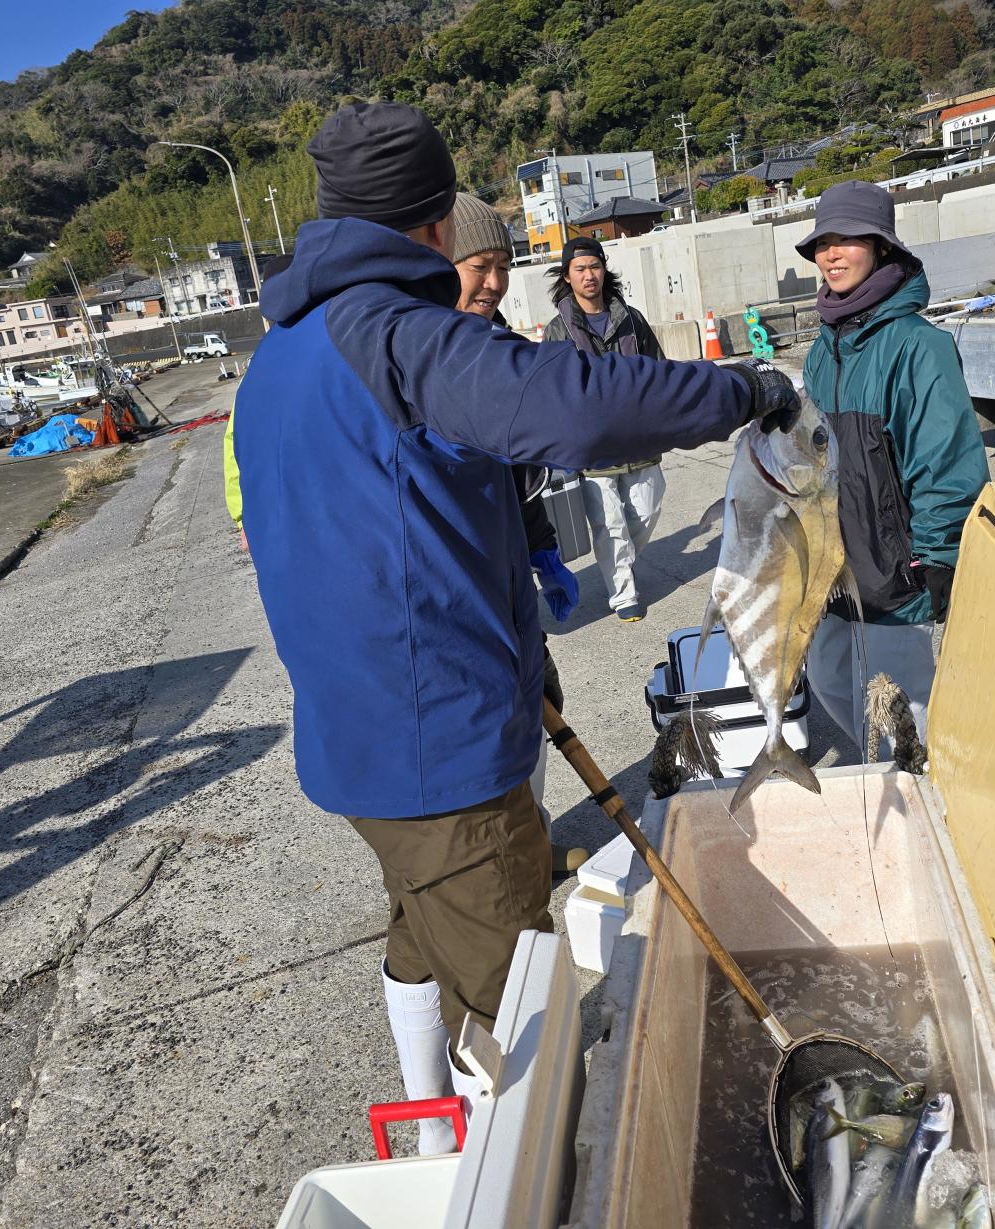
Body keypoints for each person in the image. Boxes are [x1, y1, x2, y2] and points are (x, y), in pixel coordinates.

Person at [233, 101, 799, 1156]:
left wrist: (525, 657)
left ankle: (436, 1137)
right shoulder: (397, 333)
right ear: (436, 223)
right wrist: (740, 392)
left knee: (420, 931)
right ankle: (518, 1162)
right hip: (436, 749)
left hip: (363, 737)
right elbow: (576, 408)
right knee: (531, 1010)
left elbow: (403, 534)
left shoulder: (281, 355)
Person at [795, 180, 988, 753]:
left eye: (849, 238)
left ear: (882, 247)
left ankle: (923, 805)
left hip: (896, 577)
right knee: (834, 683)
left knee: (910, 721)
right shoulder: (821, 347)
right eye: (823, 240)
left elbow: (946, 461)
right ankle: (884, 776)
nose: (832, 253)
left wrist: (938, 558)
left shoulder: (917, 345)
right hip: (832, 576)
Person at [447, 191, 586, 877]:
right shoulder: (425, 359)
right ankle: (503, 871)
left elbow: (516, 476)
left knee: (542, 708)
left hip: (510, 583)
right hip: (462, 598)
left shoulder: (498, 347)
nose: (494, 282)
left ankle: (532, 845)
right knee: (493, 739)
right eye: (478, 265)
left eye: (502, 265)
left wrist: (543, 548)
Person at [540, 237, 666, 622]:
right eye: (579, 269)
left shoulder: (631, 318)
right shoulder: (558, 329)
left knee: (647, 509)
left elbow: (658, 369)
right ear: (567, 276)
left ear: (603, 269)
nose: (589, 275)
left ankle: (618, 562)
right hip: (592, 445)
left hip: (637, 438)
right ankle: (623, 594)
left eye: (594, 266)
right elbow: (553, 390)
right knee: (608, 522)